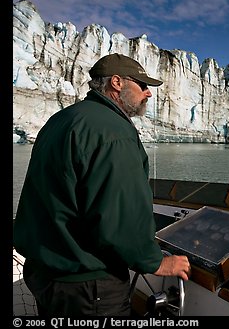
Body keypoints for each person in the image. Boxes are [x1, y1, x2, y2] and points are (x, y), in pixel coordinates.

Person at [13, 53, 192, 316]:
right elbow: (119, 215)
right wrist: (155, 262)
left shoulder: (61, 120)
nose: (148, 94)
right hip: (88, 282)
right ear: (117, 83)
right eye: (142, 85)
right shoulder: (113, 132)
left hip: (46, 273)